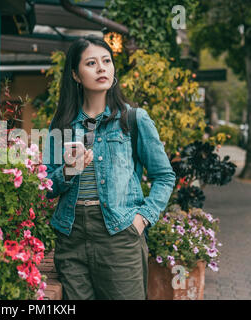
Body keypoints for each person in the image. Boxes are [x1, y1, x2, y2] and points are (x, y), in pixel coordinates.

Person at [42, 35, 176, 300]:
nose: (101, 68)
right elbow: (46, 184)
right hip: (71, 236)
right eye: (91, 63)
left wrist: (142, 219)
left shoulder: (134, 119)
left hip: (119, 234)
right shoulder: (62, 124)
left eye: (106, 61)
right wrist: (69, 170)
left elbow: (164, 176)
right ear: (76, 75)